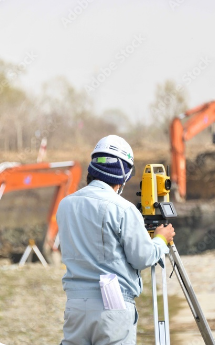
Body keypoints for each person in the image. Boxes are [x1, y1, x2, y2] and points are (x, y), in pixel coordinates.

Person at [57, 135, 175, 345]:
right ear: (124, 177)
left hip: (75, 304)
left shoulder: (66, 205)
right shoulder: (123, 209)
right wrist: (160, 239)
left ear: (91, 170)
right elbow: (142, 258)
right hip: (112, 303)